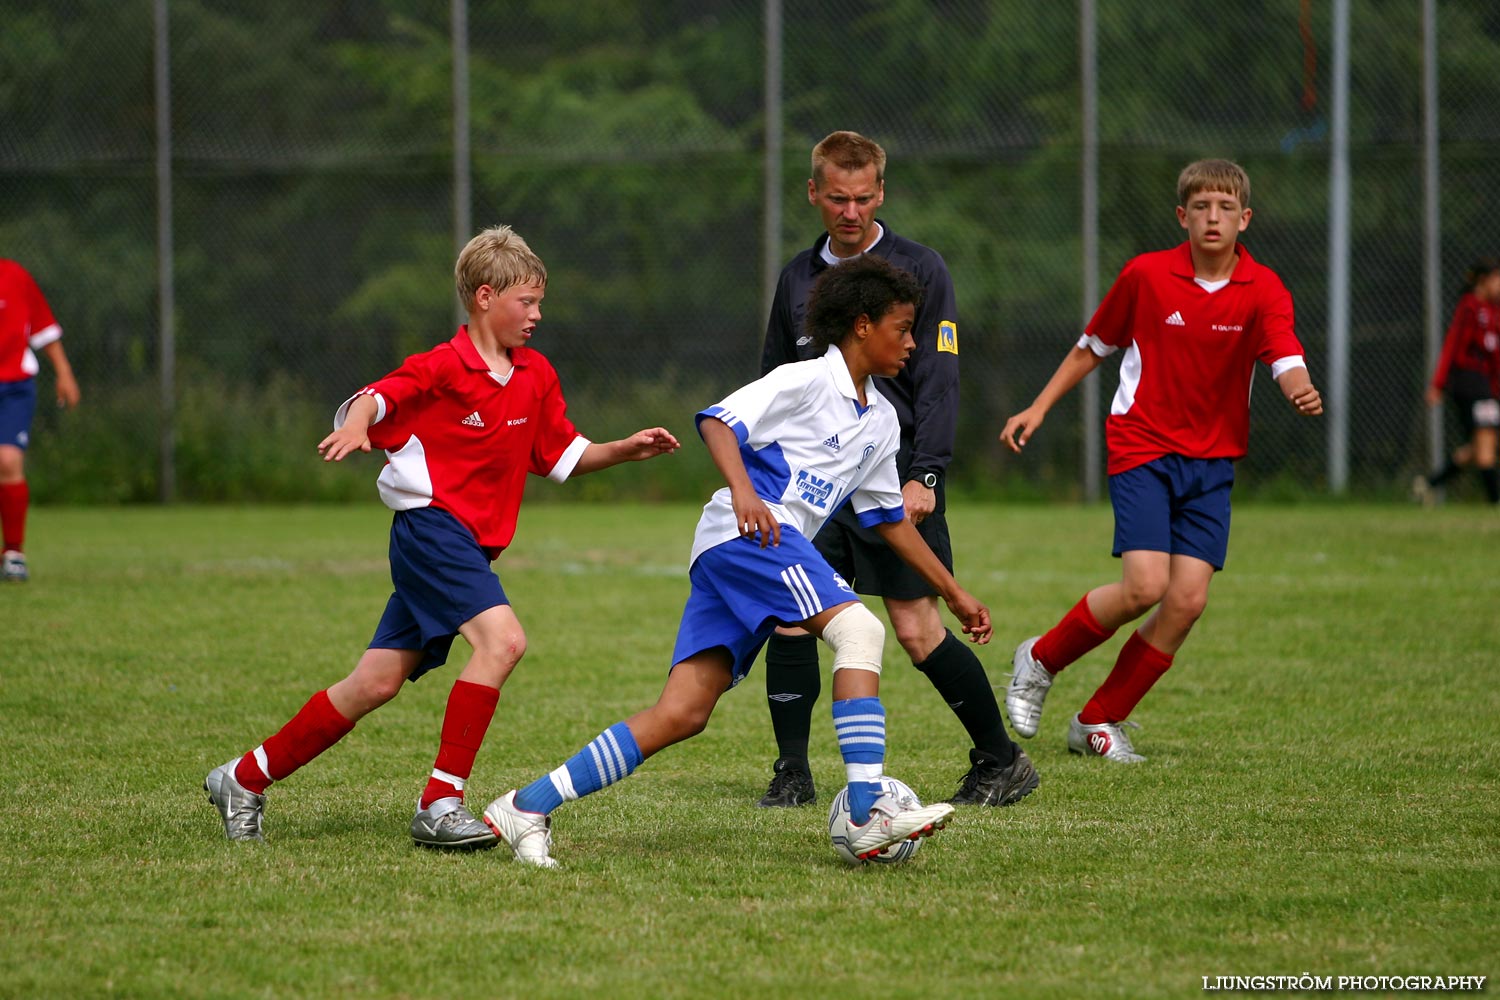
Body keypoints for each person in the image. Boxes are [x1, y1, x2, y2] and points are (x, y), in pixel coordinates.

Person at [480, 255, 991, 867]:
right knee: (861, 628)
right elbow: (718, 422)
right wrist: (745, 492)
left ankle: (525, 806)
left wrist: (953, 593)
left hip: (753, 549)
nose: (912, 343)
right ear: (861, 326)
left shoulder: (881, 419)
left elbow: (886, 518)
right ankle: (865, 816)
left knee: (683, 713)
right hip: (746, 534)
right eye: (903, 328)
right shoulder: (802, 381)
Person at [203, 225, 680, 847]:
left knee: (373, 683)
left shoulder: (535, 375)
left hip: (467, 547)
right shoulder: (442, 367)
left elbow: (561, 454)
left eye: (540, 302)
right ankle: (441, 800)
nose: (537, 315)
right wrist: (354, 425)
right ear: (484, 298)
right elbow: (378, 398)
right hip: (430, 530)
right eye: (525, 302)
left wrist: (624, 449)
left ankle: (242, 778)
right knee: (503, 642)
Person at [999, 159, 1323, 763]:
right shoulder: (1147, 276)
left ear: (1244, 219)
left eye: (1226, 207)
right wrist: (1039, 407)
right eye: (1201, 206)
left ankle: (1098, 721)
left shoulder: (1264, 288)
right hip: (1142, 445)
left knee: (1187, 601)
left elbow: (1285, 353)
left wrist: (1297, 386)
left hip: (1213, 461)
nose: (1213, 217)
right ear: (1183, 215)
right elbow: (1091, 347)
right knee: (1144, 586)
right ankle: (1039, 659)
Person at [754, 130, 1035, 810]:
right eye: (836, 199)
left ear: (881, 194)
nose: (849, 213)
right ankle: (792, 772)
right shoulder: (796, 276)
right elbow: (773, 380)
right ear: (814, 194)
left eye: (862, 199)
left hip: (892, 473)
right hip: (813, 485)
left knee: (915, 628)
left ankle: (1001, 759)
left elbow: (940, 378)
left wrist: (927, 475)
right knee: (792, 616)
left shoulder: (920, 269)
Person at [0, 259, 81, 582]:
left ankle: (13, 553)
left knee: (7, 461)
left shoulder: (14, 276)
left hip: (13, 387)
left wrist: (64, 372)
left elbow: (43, 327)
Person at [1413, 258, 1500, 506]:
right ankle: (1495, 502)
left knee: (1478, 446)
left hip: (1485, 385)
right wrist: (1437, 384)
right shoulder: (1470, 307)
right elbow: (1452, 346)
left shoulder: (1494, 312)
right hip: (1470, 384)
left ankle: (1429, 484)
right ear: (1483, 282)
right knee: (1486, 443)